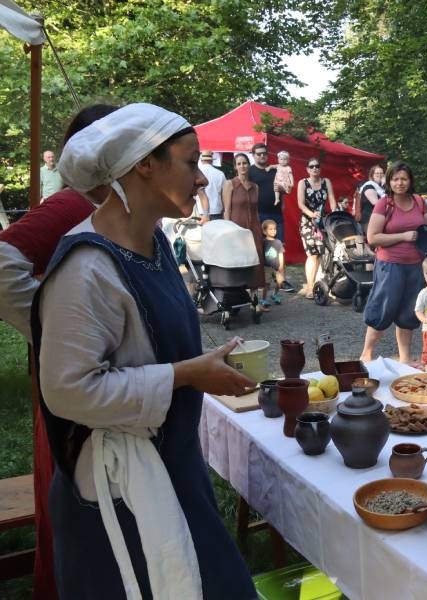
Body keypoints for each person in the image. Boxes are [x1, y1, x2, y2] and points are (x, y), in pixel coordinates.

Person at [36, 102, 256, 598]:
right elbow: (68, 393)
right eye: (190, 161)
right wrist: (186, 375)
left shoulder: (153, 243)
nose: (202, 179)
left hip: (173, 464)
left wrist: (201, 368)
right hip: (121, 491)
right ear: (144, 164)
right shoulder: (87, 268)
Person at [0, 103, 118, 600]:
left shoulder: (113, 207)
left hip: (104, 388)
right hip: (75, 387)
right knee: (76, 496)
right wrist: (50, 323)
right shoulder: (74, 206)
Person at [360, 161, 427, 364]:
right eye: (395, 179)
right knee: (382, 311)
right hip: (390, 265)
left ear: (410, 181)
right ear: (389, 181)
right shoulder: (385, 203)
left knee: (408, 314)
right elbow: (373, 237)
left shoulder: (419, 202)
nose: (400, 183)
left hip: (415, 265)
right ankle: (366, 355)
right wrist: (403, 236)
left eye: (404, 179)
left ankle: (405, 360)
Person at [223, 152, 268, 311]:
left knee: (255, 262)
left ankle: (255, 299)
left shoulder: (255, 187)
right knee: (238, 262)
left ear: (249, 165)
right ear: (235, 167)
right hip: (236, 229)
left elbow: (256, 211)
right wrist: (227, 232)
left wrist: (260, 231)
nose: (242, 166)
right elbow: (227, 210)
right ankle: (235, 297)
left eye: (245, 163)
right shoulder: (230, 184)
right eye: (239, 163)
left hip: (254, 229)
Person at [298, 157, 336, 298]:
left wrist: (336, 213)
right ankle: (309, 287)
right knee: (312, 254)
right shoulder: (303, 183)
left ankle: (319, 285)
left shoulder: (326, 182)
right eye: (312, 166)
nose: (315, 168)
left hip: (323, 222)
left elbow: (332, 200)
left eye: (317, 166)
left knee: (323, 253)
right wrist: (311, 214)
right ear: (307, 169)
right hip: (308, 222)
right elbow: (300, 204)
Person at [196, 150, 226, 222]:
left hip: (201, 211)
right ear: (212, 161)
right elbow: (224, 195)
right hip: (217, 211)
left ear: (201, 160)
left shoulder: (197, 173)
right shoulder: (220, 174)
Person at [262, 219, 285, 305]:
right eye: (270, 229)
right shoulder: (263, 242)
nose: (273, 231)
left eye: (275, 229)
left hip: (277, 267)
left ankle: (275, 294)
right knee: (267, 284)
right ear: (264, 231)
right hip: (267, 267)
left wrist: (281, 266)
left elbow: (281, 254)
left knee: (280, 282)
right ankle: (263, 299)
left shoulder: (278, 242)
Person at [356, 163, 385, 229]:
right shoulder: (369, 186)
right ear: (372, 175)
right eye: (377, 173)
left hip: (379, 219)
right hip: (369, 221)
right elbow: (377, 204)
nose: (379, 175)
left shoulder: (381, 188)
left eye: (381, 173)